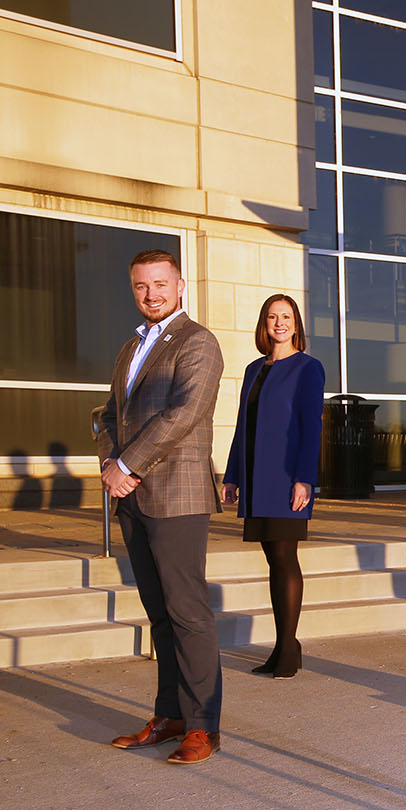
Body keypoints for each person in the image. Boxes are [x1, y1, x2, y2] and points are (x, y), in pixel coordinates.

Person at [98, 249, 225, 764]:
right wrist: (112, 465)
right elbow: (109, 415)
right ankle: (171, 715)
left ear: (180, 285)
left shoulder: (198, 342)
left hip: (177, 496)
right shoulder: (131, 347)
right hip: (132, 497)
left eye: (160, 284)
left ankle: (203, 728)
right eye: (140, 286)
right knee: (160, 614)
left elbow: (184, 413)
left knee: (188, 612)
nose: (151, 294)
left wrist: (126, 466)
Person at [221, 294, 324, 679]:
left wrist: (304, 479)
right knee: (272, 558)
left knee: (284, 558)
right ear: (264, 324)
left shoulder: (308, 368)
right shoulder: (253, 369)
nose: (278, 323)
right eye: (271, 317)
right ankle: (287, 645)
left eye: (285, 316)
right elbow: (242, 425)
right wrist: (232, 475)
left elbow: (311, 427)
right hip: (254, 476)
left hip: (285, 477)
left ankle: (286, 648)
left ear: (296, 324)